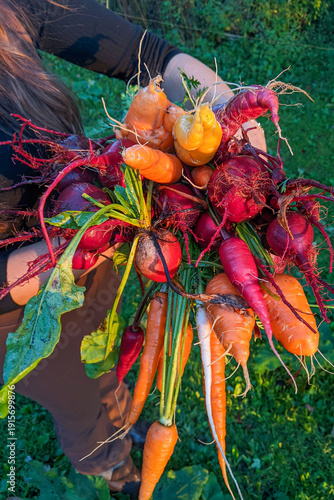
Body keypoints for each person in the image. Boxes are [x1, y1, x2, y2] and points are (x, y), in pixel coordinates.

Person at [0, 0, 266, 496]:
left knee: (108, 354)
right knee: (76, 400)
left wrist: (232, 121)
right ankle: (111, 465)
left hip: (97, 258)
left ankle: (120, 405)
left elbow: (155, 57)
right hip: (18, 317)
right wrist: (66, 253)